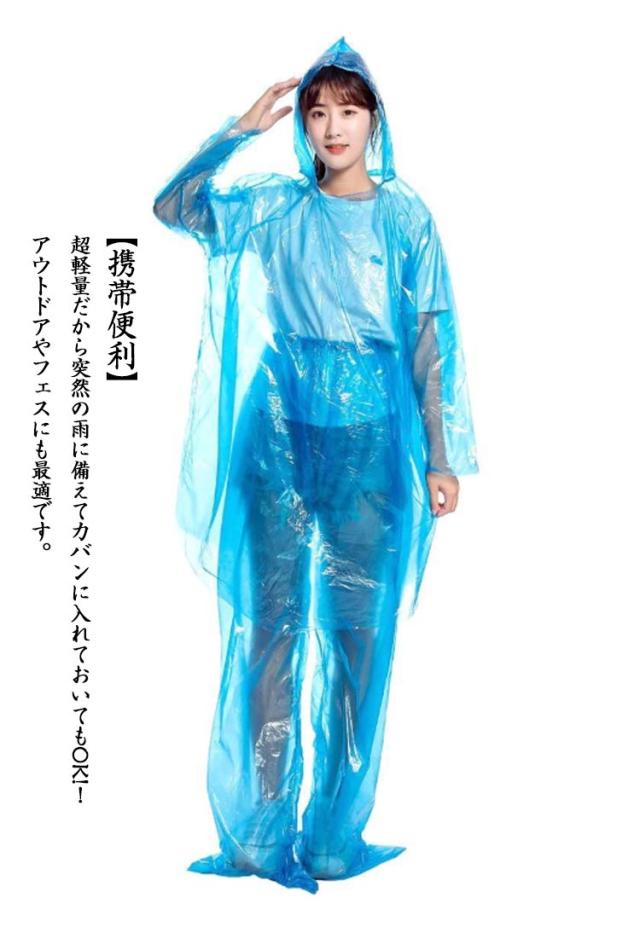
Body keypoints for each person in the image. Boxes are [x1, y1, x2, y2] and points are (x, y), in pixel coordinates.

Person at [153, 36, 478, 894]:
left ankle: (334, 833)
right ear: (301, 125)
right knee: (269, 634)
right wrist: (238, 129)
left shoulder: (405, 218)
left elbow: (430, 337)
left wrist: (443, 454)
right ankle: (259, 833)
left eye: (349, 109)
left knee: (358, 640)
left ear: (375, 121)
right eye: (317, 111)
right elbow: (175, 205)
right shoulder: (274, 207)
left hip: (371, 445)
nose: (332, 126)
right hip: (277, 438)